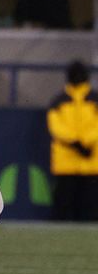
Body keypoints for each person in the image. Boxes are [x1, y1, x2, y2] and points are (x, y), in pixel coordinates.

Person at [46, 60, 98, 221]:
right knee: (63, 206)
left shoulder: (94, 99)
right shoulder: (59, 101)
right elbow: (56, 127)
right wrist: (76, 143)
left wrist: (86, 142)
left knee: (91, 208)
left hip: (91, 163)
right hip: (66, 163)